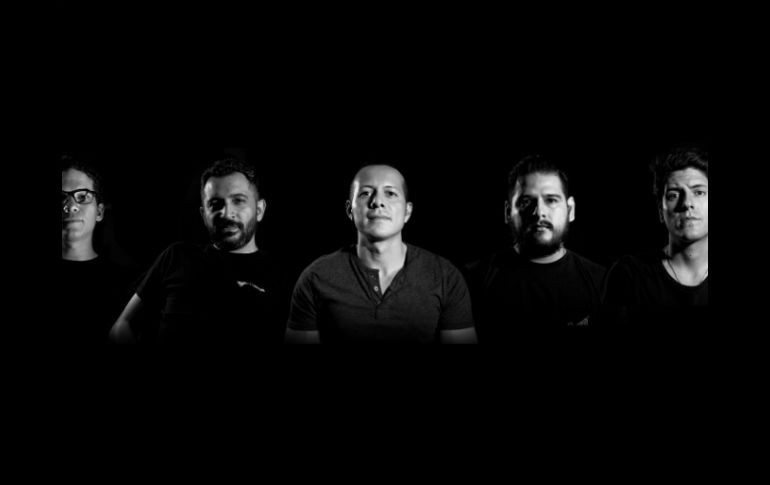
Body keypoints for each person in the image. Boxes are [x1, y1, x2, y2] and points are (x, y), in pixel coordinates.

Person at [285, 164, 477, 344]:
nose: (377, 202)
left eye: (390, 193)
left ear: (407, 211)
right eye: (365, 193)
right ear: (350, 210)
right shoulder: (316, 278)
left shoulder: (444, 277)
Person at [109, 158, 289, 345]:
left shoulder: (282, 274)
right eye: (215, 204)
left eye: (238, 201)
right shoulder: (177, 256)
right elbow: (121, 325)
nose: (226, 213)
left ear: (259, 210)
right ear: (204, 215)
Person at [465, 155, 606, 339]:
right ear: (508, 212)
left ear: (570, 210)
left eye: (551, 200)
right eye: (525, 202)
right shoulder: (472, 280)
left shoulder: (602, 283)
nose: (539, 212)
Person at [601, 145, 708, 327]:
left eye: (699, 192)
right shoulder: (630, 275)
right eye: (674, 195)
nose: (687, 203)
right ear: (660, 210)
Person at [60, 155, 136, 344]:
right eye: (61, 197)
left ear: (100, 212)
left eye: (82, 196)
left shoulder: (127, 284)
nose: (70, 207)